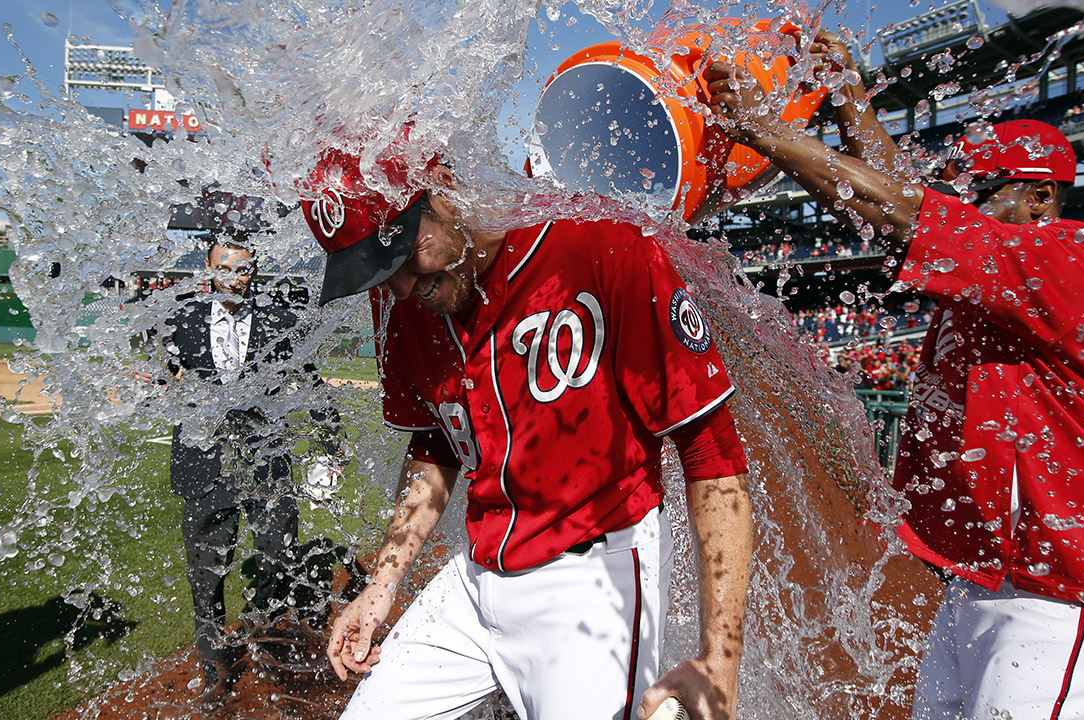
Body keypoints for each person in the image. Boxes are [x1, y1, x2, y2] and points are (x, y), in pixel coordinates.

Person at [704, 42, 1084, 720]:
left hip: (1071, 600)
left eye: (984, 197)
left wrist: (765, 131)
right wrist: (850, 100)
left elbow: (909, 216)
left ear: (1040, 197)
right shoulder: (1001, 271)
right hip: (985, 587)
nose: (967, 210)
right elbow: (907, 209)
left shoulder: (1080, 262)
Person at [297, 138, 753, 720]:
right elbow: (437, 443)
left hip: (592, 578)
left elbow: (710, 448)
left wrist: (721, 658)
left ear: (444, 189)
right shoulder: (403, 302)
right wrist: (384, 581)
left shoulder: (601, 246)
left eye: (404, 254)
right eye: (378, 272)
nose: (403, 287)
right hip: (477, 574)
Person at [161, 232, 340, 700]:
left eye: (242, 269)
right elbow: (164, 373)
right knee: (206, 574)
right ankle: (214, 666)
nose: (234, 279)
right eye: (225, 269)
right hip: (202, 464)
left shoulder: (282, 321)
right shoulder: (180, 319)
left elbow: (313, 385)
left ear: (254, 270)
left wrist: (329, 443)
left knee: (277, 563)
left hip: (266, 465)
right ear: (208, 269)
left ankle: (270, 651)